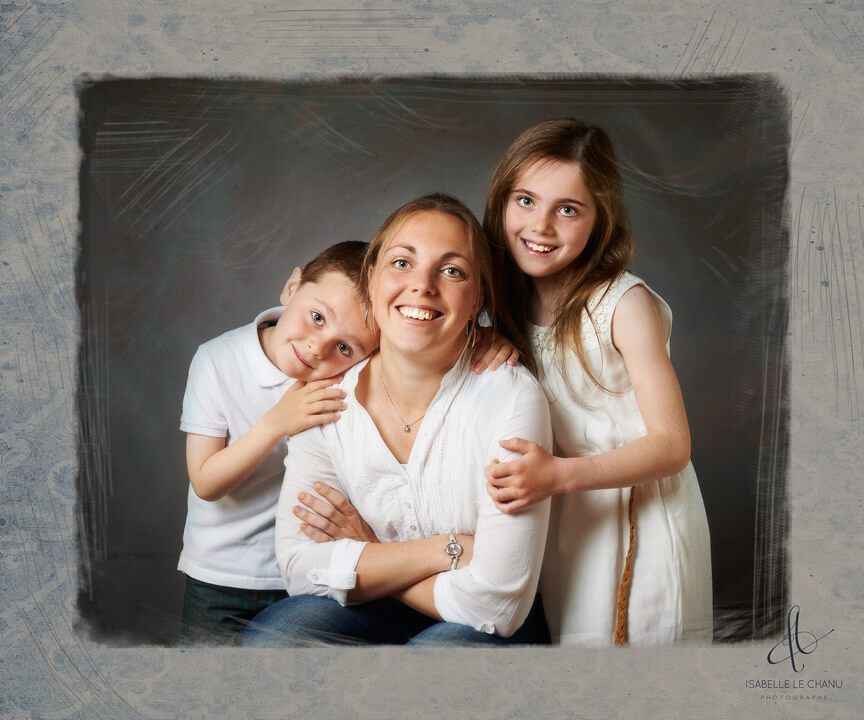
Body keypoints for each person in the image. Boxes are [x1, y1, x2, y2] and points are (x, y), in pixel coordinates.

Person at [238, 194, 553, 647]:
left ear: (478, 296)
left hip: (486, 633)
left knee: (427, 664)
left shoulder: (510, 396)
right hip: (372, 611)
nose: (422, 285)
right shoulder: (325, 399)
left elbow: (496, 606)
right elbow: (299, 569)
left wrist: (374, 557)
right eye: (402, 262)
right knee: (275, 638)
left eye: (452, 271)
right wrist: (448, 550)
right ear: (372, 277)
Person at [482, 119, 713, 647]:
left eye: (568, 209)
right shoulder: (505, 305)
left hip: (639, 522)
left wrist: (557, 476)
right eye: (525, 200)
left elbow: (672, 445)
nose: (540, 225)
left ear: (599, 221)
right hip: (569, 521)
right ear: (500, 202)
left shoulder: (622, 305)